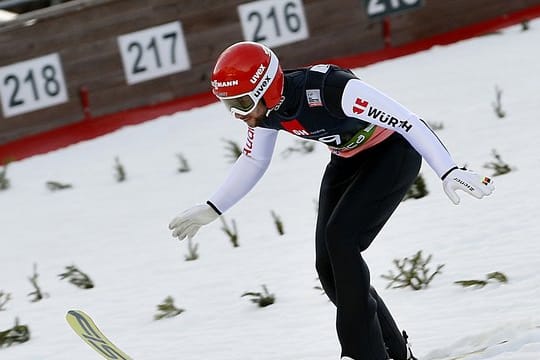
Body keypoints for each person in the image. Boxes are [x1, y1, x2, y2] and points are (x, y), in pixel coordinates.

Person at [168, 41, 495, 360]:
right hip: (346, 161)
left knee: (341, 239)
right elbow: (254, 160)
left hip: (393, 153)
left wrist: (448, 169)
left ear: (267, 89)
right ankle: (395, 352)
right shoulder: (265, 111)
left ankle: (359, 353)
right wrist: (212, 208)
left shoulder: (332, 89)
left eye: (240, 103)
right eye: (229, 106)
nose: (237, 114)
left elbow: (408, 121)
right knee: (328, 268)